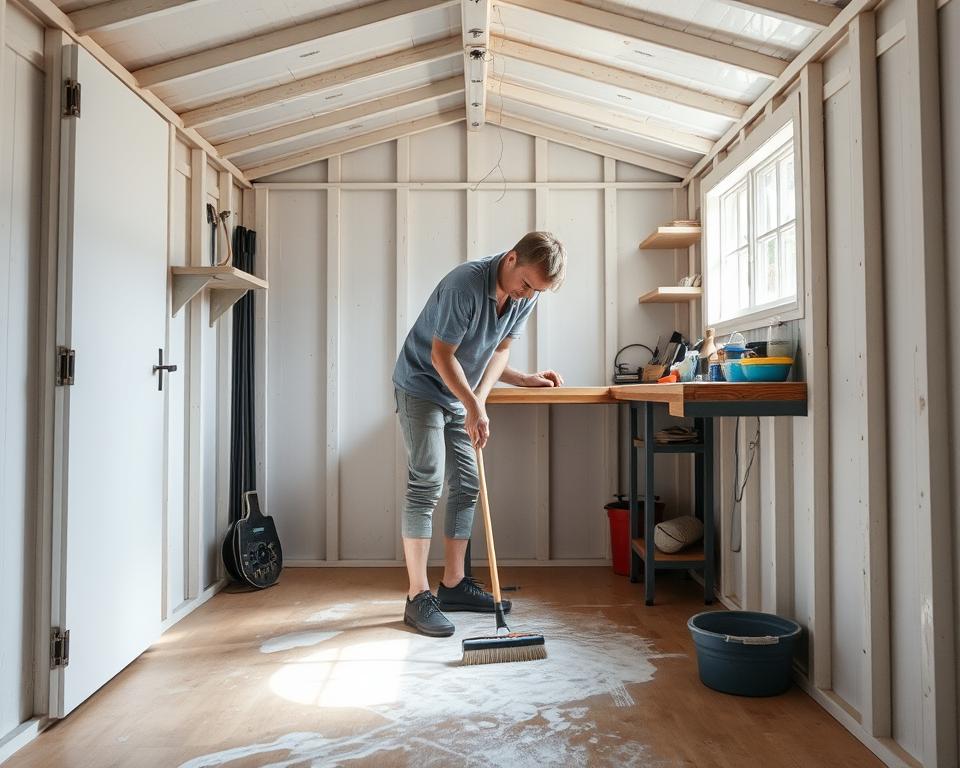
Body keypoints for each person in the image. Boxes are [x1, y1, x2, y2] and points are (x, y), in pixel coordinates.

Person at [392, 231, 567, 637]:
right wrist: (472, 405)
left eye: (536, 291)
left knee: (468, 483)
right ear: (510, 259)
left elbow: (497, 350)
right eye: (525, 284)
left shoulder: (528, 293)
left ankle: (453, 585)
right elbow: (441, 355)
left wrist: (496, 392)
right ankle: (417, 596)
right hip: (421, 383)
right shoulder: (464, 285)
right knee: (427, 481)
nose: (526, 296)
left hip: (459, 392)